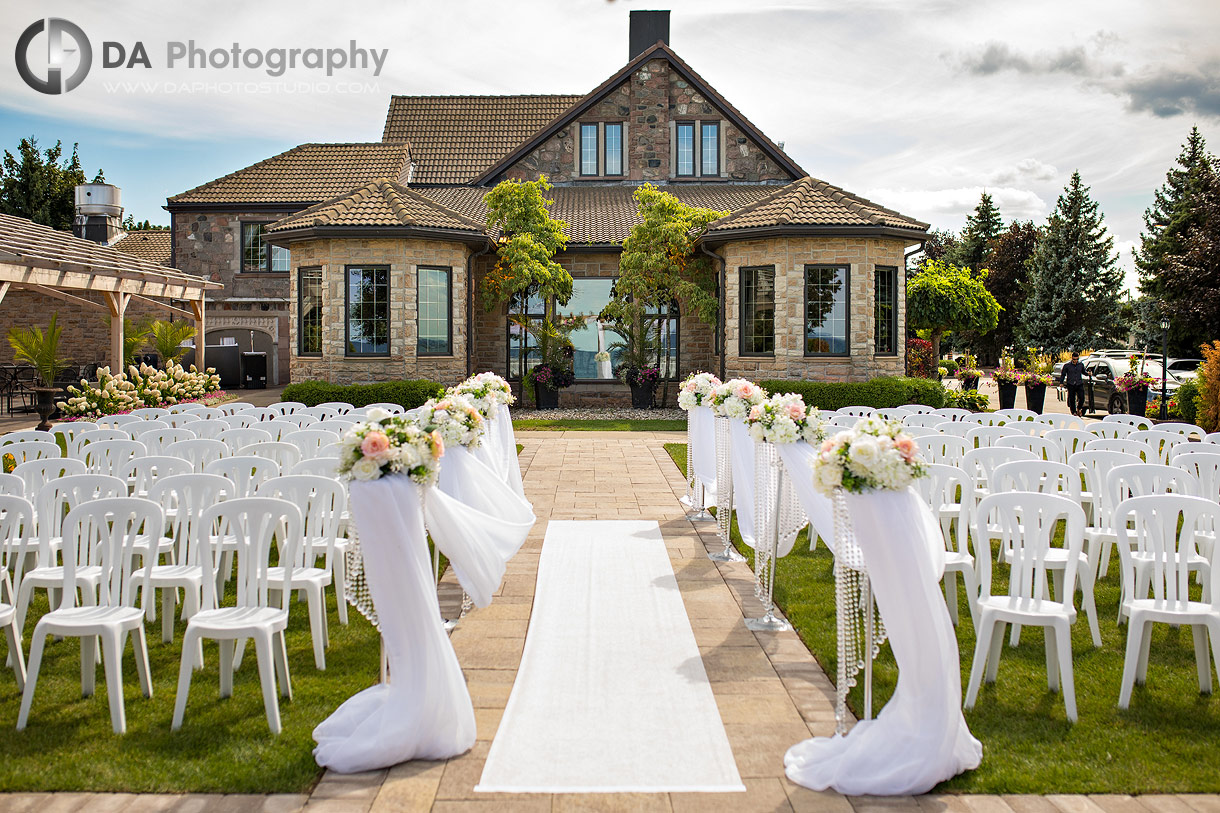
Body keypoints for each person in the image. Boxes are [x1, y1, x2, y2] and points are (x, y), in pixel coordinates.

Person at [1060, 351, 1087, 417]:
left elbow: (1083, 372)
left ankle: (1079, 408)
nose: (1075, 361)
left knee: (1082, 397)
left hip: (1079, 383)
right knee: (1072, 398)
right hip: (1071, 384)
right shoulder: (1067, 366)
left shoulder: (1080, 365)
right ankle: (1073, 412)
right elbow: (1063, 374)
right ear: (1072, 358)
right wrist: (1061, 382)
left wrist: (1088, 374)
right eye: (1074, 359)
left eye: (1077, 359)